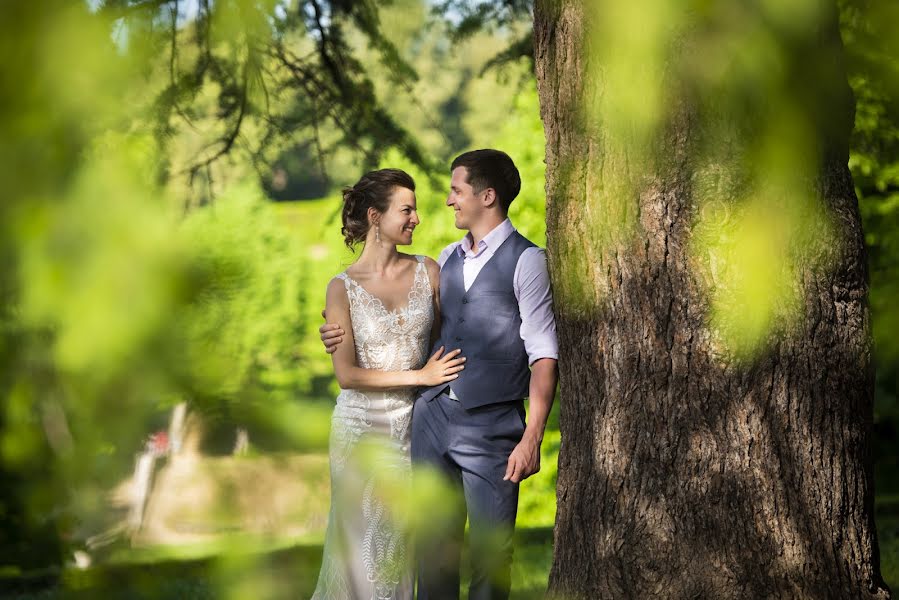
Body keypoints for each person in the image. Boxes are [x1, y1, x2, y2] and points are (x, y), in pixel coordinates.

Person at [321, 150, 559, 600]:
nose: (446, 202)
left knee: (493, 553)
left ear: (486, 196)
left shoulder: (523, 261)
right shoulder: (445, 258)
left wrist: (532, 436)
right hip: (427, 422)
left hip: (488, 427)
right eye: (408, 208)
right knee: (430, 552)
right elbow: (410, 334)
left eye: (456, 190)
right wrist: (338, 331)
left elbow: (543, 352)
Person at [312, 168, 466, 600]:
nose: (417, 217)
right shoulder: (341, 289)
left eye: (415, 208)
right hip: (359, 432)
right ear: (375, 216)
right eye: (407, 209)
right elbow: (347, 376)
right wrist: (421, 376)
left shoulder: (429, 271)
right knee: (357, 549)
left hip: (410, 430)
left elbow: (452, 334)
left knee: (395, 547)